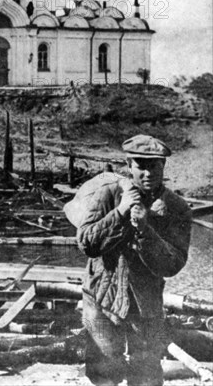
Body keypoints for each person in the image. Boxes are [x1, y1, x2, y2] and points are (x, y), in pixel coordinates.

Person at [77, 135, 192, 386]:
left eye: (155, 166)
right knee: (103, 373)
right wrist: (119, 213)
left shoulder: (177, 207)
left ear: (163, 167)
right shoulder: (108, 194)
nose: (148, 173)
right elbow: (86, 243)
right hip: (101, 296)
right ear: (129, 166)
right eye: (141, 166)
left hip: (146, 302)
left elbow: (173, 264)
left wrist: (145, 230)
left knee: (147, 374)